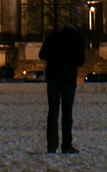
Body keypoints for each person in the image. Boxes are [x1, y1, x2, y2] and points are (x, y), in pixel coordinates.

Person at [40, 22, 85, 154]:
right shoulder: (77, 38)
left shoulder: (53, 37)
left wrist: (54, 58)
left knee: (53, 112)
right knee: (67, 113)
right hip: (68, 79)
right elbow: (81, 61)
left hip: (53, 78)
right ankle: (66, 145)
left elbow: (42, 54)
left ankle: (51, 145)